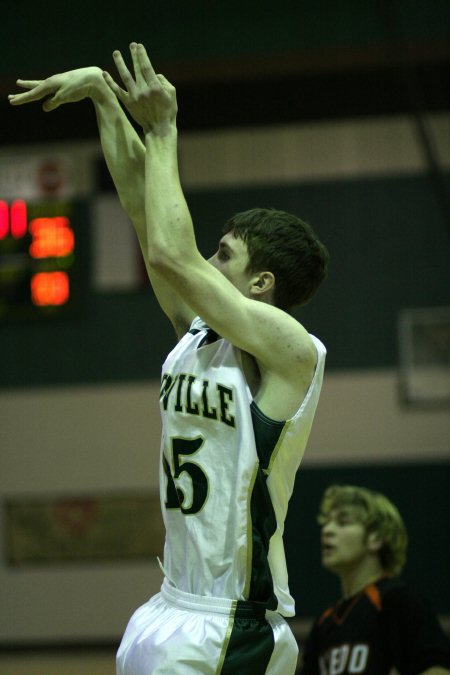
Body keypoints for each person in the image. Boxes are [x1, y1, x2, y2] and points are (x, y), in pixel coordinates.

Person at [9, 43, 329, 674]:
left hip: (230, 619)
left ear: (262, 284)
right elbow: (142, 209)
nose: (207, 263)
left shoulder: (295, 352)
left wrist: (164, 127)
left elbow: (168, 254)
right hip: (169, 602)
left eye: (224, 254)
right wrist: (104, 98)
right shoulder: (198, 332)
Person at [298, 485, 450, 674]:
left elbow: (437, 668)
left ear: (376, 538)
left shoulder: (398, 600)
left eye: (343, 522)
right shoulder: (323, 623)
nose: (327, 530)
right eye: (326, 522)